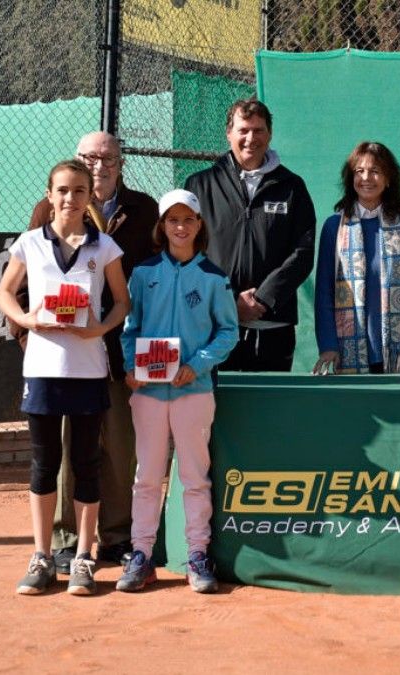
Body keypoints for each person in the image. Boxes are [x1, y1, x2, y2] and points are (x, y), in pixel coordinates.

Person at [26, 131, 159, 573]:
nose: (99, 165)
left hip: (120, 355)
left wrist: (123, 337)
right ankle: (65, 540)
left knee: (120, 448)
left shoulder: (144, 210)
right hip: (60, 358)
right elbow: (23, 284)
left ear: (121, 164)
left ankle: (118, 536)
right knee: (66, 451)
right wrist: (32, 338)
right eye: (89, 157)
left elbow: (147, 285)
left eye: (108, 159)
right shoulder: (48, 210)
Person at [0, 159, 131, 595]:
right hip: (41, 369)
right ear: (49, 195)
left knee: (87, 464)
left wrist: (99, 328)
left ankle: (84, 558)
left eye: (78, 190)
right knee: (44, 463)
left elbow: (122, 303)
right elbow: (4, 291)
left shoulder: (104, 247)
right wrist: (27, 318)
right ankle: (40, 556)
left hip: (88, 370)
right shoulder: (30, 244)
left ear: (90, 195)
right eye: (62, 190)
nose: (70, 198)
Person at [116, 189, 238, 594]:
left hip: (194, 390)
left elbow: (228, 332)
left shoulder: (214, 278)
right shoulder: (143, 273)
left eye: (188, 220)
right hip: (148, 394)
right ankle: (141, 555)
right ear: (162, 226)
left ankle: (197, 554)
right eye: (172, 220)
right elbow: (129, 328)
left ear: (199, 225)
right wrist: (132, 366)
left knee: (194, 477)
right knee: (147, 476)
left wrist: (196, 364)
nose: (180, 227)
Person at [185, 98, 316, 372]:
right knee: (216, 412)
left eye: (258, 130)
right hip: (214, 325)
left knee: (269, 412)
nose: (250, 139)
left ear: (269, 134)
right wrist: (229, 303)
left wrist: (262, 298)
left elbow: (302, 253)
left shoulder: (292, 187)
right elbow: (188, 253)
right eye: (243, 130)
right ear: (228, 133)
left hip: (273, 325)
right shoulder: (198, 185)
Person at [312, 141, 400, 375]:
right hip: (345, 350)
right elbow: (324, 291)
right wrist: (328, 345)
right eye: (359, 171)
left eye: (375, 171)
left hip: (396, 353)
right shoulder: (335, 227)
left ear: (388, 179)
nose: (366, 178)